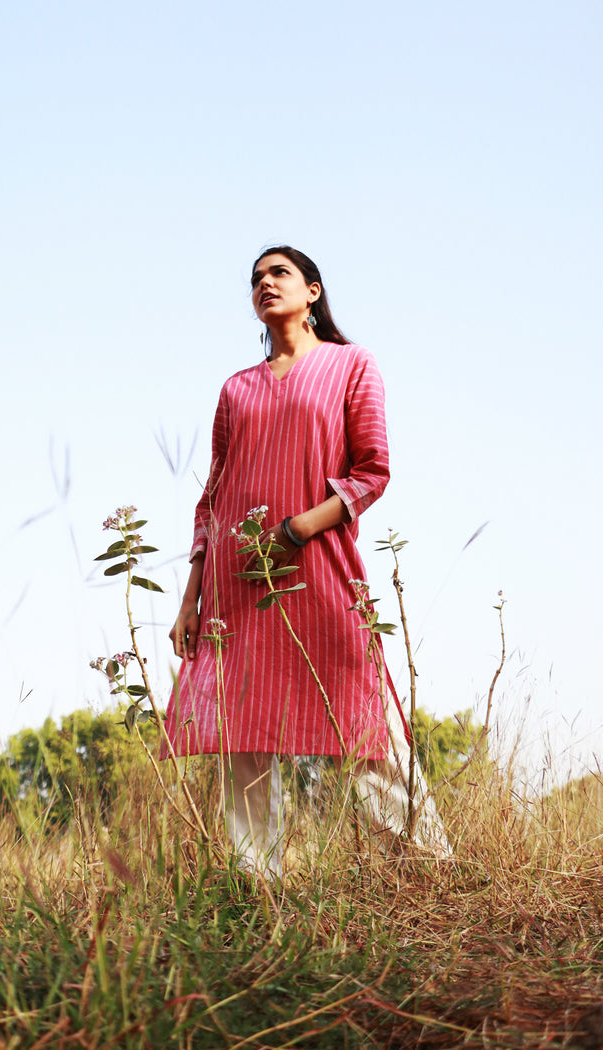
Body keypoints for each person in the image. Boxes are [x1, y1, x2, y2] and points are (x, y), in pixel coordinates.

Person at [166, 246, 450, 874]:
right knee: (242, 726)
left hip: (318, 562)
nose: (265, 284)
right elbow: (212, 496)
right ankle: (256, 883)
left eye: (279, 274)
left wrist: (299, 528)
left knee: (359, 711)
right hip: (238, 577)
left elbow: (371, 472)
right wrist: (192, 597)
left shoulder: (352, 365)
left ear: (313, 291)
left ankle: (427, 871)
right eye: (255, 280)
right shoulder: (235, 389)